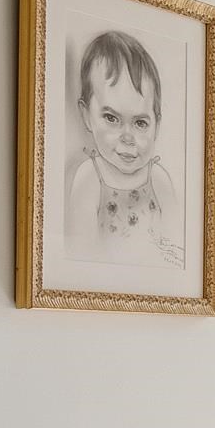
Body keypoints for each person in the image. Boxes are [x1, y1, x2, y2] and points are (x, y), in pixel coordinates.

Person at [63, 29, 184, 269]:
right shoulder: (89, 178)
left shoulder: (159, 178)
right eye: (111, 118)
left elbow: (176, 250)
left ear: (156, 125)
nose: (128, 138)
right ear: (86, 115)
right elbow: (80, 258)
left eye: (140, 123)